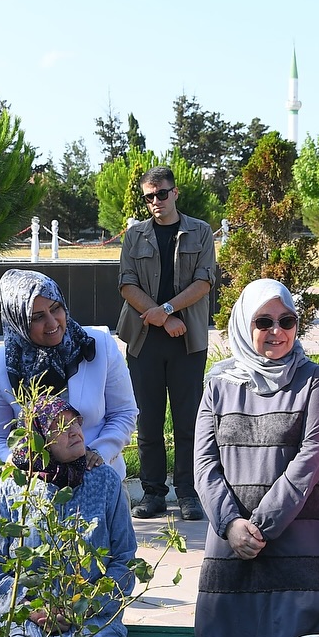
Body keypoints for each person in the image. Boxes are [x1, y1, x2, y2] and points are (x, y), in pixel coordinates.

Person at [193, 280, 319, 637]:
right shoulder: (218, 385)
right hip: (230, 542)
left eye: (286, 320)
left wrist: (260, 527)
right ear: (244, 325)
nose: (277, 331)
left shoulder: (316, 381)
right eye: (264, 321)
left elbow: (312, 459)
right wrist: (231, 525)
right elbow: (204, 464)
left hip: (296, 541)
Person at [0, 395, 136, 637]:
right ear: (38, 440)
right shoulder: (11, 488)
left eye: (76, 422)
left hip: (91, 614)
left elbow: (124, 561)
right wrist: (31, 608)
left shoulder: (105, 481)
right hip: (23, 616)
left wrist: (84, 605)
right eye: (61, 428)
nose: (76, 431)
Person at [117, 166, 217, 521]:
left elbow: (204, 281)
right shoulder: (135, 237)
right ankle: (153, 493)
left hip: (187, 340)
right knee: (148, 421)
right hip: (144, 338)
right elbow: (127, 285)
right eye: (148, 197)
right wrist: (159, 316)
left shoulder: (201, 232)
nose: (155, 202)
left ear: (175, 193)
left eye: (161, 194)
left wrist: (170, 310)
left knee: (188, 421)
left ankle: (189, 493)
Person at [0, 268, 136, 480]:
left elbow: (124, 413)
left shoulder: (97, 344)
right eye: (37, 317)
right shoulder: (0, 365)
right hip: (35, 488)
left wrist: (100, 453)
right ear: (18, 321)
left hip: (102, 477)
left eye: (55, 309)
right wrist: (18, 464)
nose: (52, 323)